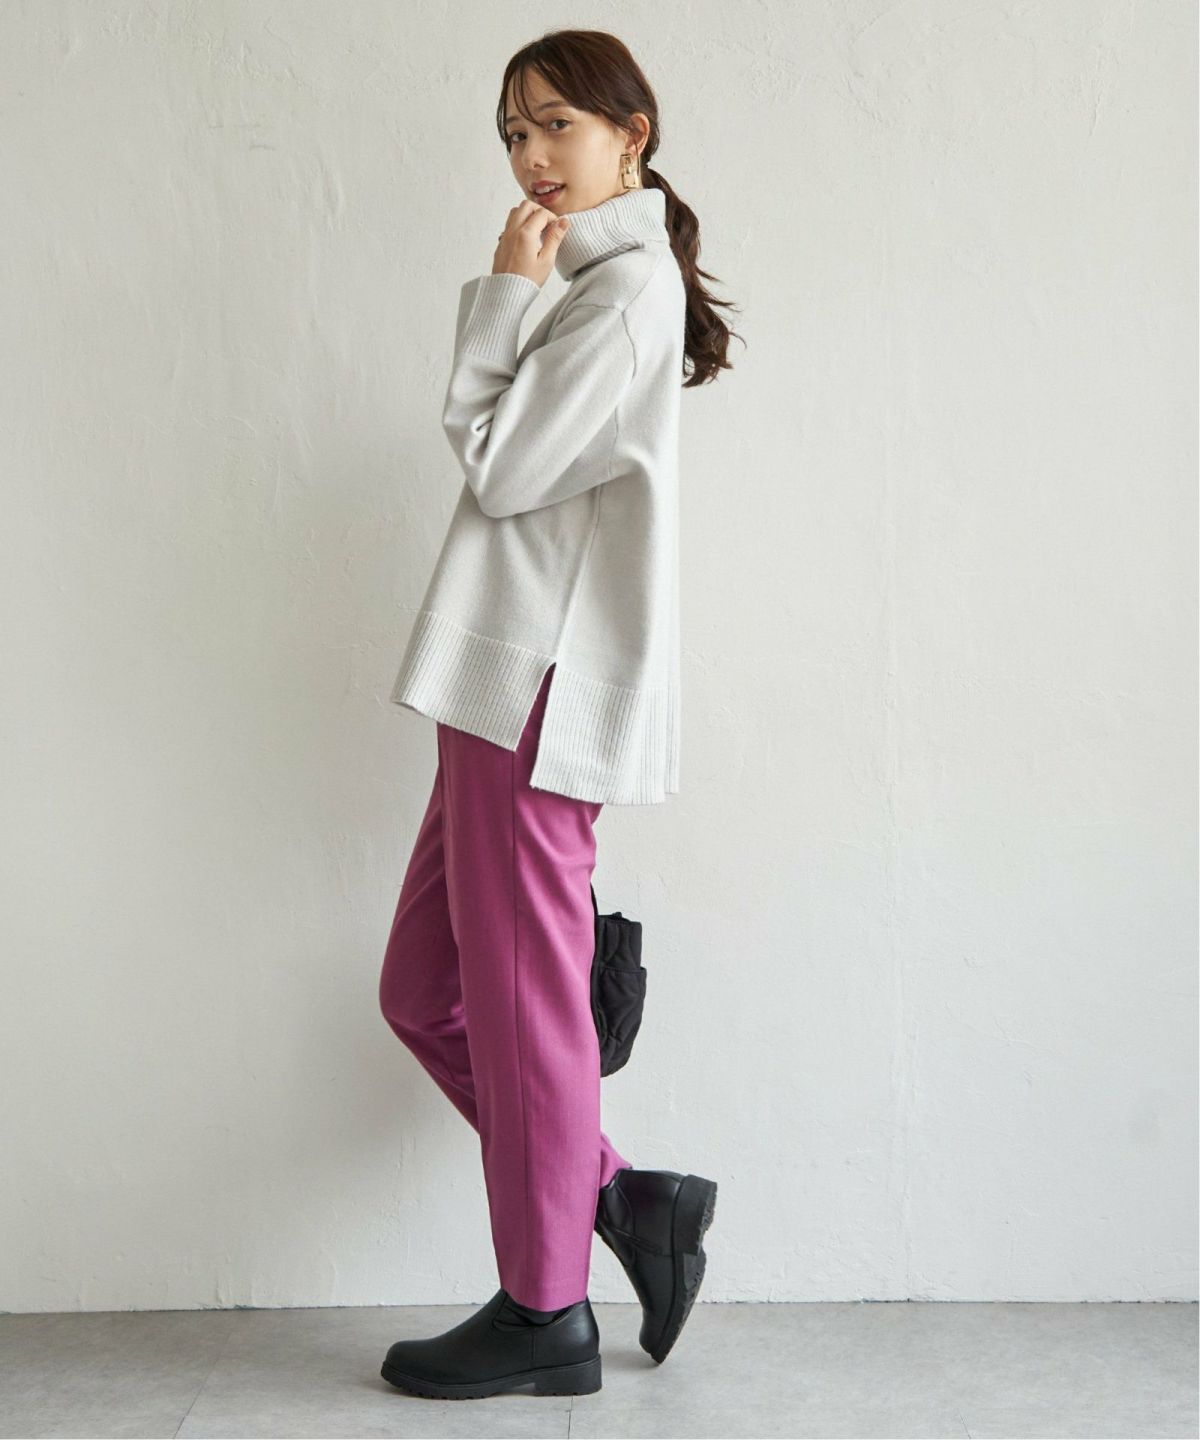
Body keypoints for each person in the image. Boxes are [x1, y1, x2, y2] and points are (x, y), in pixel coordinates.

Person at [377, 27, 741, 1401]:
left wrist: (500, 295)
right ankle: (623, 1196)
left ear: (631, 132)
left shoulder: (621, 291)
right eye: (514, 134)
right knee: (423, 992)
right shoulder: (601, 284)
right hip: (494, 687)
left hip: (535, 689)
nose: (532, 157)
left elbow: (502, 464)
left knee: (527, 1007)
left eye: (557, 126)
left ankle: (546, 1312)